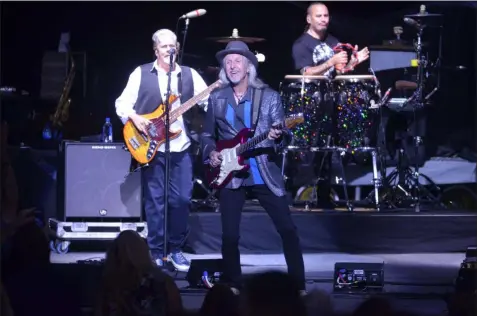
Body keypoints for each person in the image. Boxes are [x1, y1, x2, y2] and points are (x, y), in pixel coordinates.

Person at [201, 41, 306, 292]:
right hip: (230, 173)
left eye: (237, 61)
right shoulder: (216, 98)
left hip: (262, 171)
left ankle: (298, 285)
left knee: (287, 229)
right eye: (228, 62)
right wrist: (212, 153)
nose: (233, 66)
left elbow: (285, 135)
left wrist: (278, 135)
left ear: (248, 66)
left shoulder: (268, 96)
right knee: (229, 236)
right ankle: (233, 284)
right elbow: (205, 136)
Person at [115, 29, 209, 271]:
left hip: (181, 146)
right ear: (155, 50)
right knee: (156, 201)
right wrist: (136, 118)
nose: (169, 50)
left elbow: (208, 101)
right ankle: (156, 252)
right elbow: (121, 104)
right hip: (152, 146)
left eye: (173, 46)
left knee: (181, 199)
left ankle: (175, 248)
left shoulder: (188, 75)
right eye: (164, 46)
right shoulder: (141, 73)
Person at [292, 2, 369, 77]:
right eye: (318, 16)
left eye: (326, 16)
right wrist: (330, 62)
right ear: (309, 19)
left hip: (332, 89)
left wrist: (351, 64)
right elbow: (306, 73)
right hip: (312, 89)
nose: (323, 19)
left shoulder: (334, 41)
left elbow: (340, 73)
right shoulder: (301, 44)